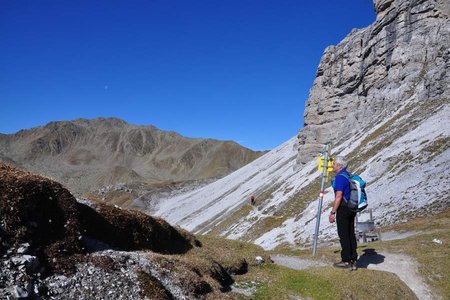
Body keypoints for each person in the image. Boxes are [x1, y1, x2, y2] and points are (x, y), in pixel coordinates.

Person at [329, 156, 357, 270]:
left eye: (334, 164)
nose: (332, 165)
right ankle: (354, 259)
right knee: (351, 233)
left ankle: (346, 261)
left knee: (343, 234)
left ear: (339, 166)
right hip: (351, 207)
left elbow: (338, 196)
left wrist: (333, 212)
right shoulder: (348, 175)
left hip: (344, 208)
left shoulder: (340, 177)